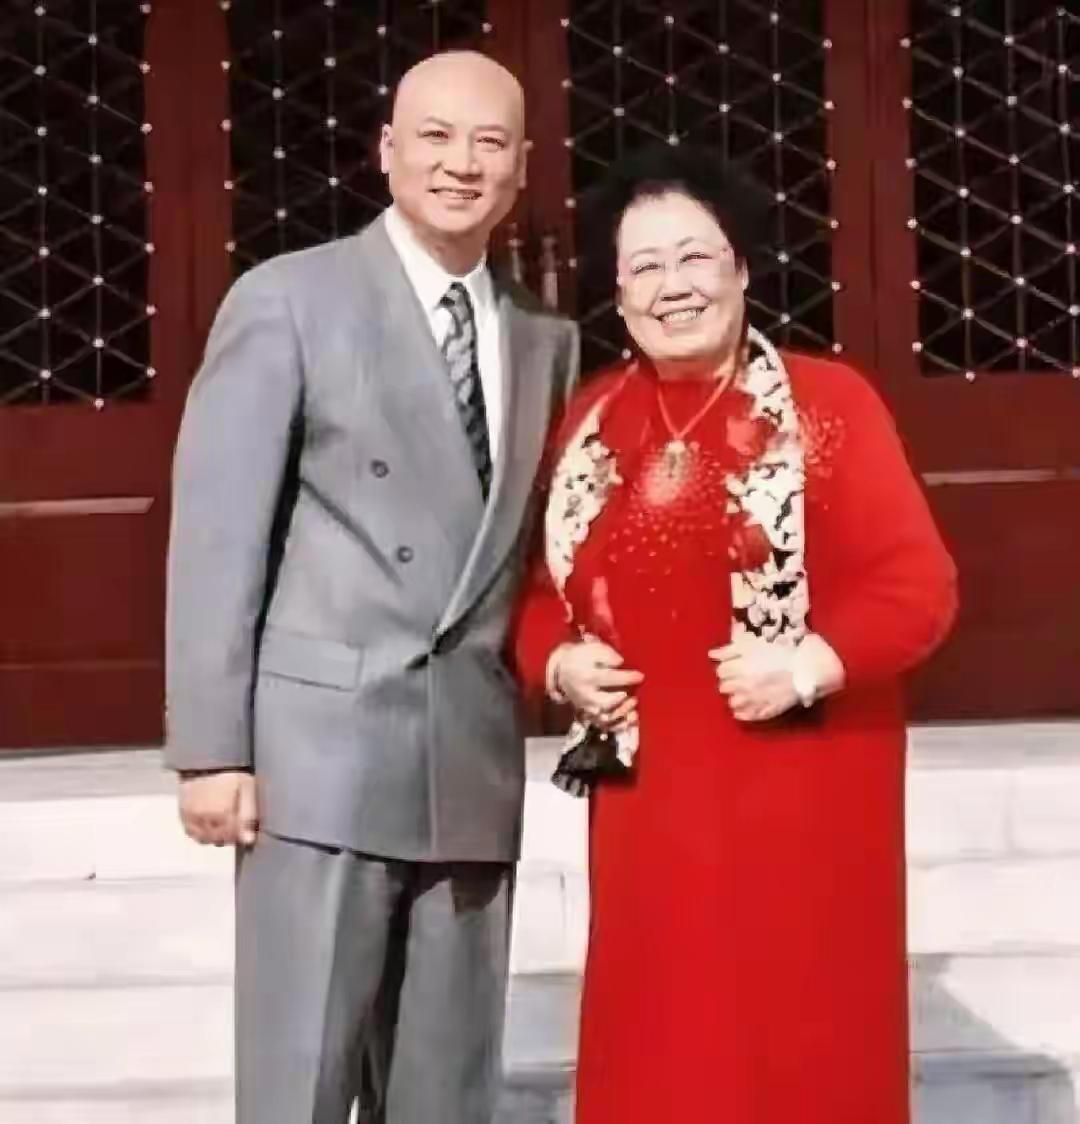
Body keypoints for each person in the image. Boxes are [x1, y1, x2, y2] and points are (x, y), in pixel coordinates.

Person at [165, 51, 578, 1124]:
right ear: (387, 151)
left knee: (446, 1096)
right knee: (298, 1084)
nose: (461, 163)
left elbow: (542, 552)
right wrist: (212, 749)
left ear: (522, 166)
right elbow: (218, 532)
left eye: (489, 142)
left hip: (471, 758)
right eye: (434, 136)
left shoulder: (546, 338)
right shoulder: (290, 298)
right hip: (322, 758)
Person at [514, 145, 958, 1124]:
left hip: (806, 793)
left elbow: (919, 584)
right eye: (645, 266)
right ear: (618, 294)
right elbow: (540, 594)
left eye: (695, 258)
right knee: (662, 1044)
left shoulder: (831, 405)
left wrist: (810, 662)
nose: (672, 286)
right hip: (649, 806)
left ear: (743, 268)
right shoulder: (590, 421)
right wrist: (559, 660)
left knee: (804, 1045)